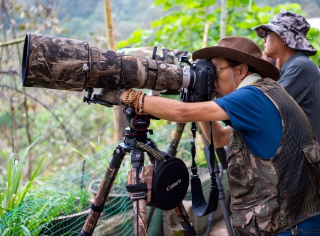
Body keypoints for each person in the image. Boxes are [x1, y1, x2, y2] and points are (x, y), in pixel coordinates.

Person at [97, 36, 320, 235]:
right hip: (297, 217)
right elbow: (221, 137)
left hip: (293, 225)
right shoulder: (266, 91)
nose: (211, 78)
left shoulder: (252, 96)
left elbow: (181, 113)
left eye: (215, 70)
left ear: (241, 70)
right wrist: (200, 97)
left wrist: (129, 97)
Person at [253, 10, 320, 143]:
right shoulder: (293, 65)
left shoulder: (299, 66)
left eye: (267, 33)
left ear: (283, 38)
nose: (264, 39)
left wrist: (266, 78)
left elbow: (264, 108)